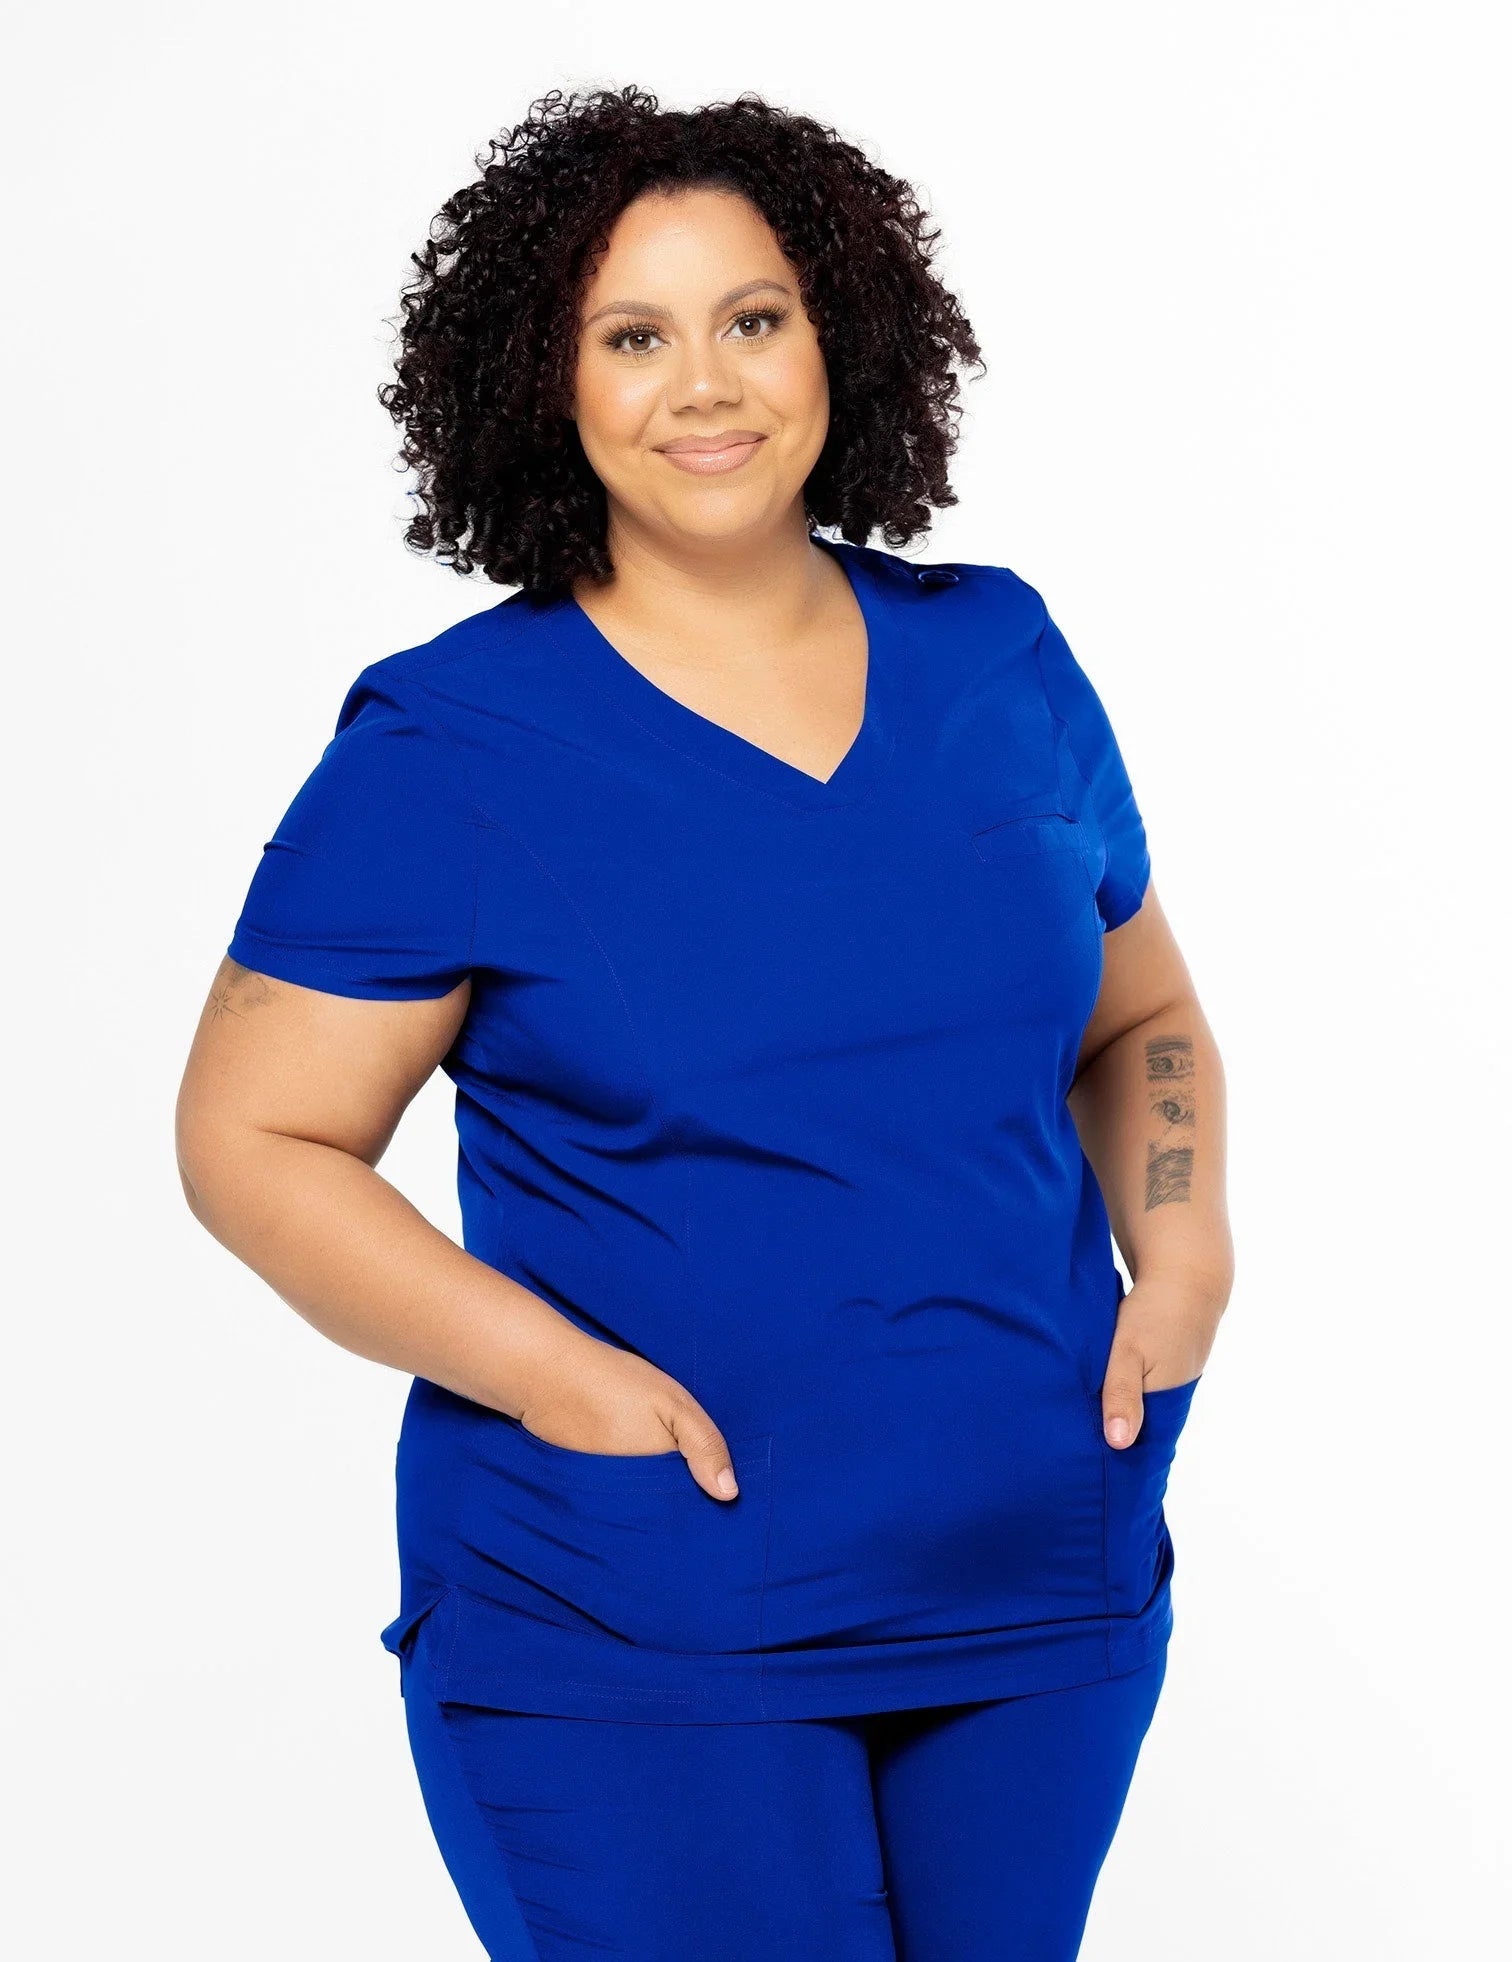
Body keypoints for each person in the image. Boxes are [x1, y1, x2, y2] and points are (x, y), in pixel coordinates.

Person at [176, 84, 1233, 1962]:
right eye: (634, 337)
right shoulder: (453, 745)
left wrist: (1187, 1254)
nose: (707, 385)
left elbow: (1136, 1011)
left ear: (839, 335)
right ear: (549, 383)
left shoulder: (997, 658)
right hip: (637, 1603)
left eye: (753, 317)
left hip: (1029, 1579)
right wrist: (557, 1381)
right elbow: (253, 1139)